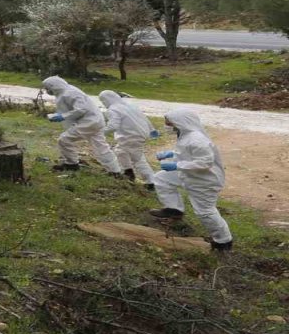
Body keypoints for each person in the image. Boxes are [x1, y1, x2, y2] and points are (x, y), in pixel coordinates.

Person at [149, 109, 233, 252]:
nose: (167, 126)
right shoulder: (186, 135)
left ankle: (223, 241)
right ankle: (173, 210)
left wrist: (176, 165)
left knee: (205, 212)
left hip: (204, 181)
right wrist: (171, 154)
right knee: (161, 178)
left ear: (181, 122)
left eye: (169, 123)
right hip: (190, 174)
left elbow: (205, 162)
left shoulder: (197, 140)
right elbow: (187, 153)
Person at [41, 76, 123, 175]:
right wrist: (61, 115)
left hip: (88, 122)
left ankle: (71, 164)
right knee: (101, 146)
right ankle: (115, 171)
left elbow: (81, 109)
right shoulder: (65, 92)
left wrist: (62, 116)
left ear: (53, 86)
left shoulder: (70, 93)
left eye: (48, 88)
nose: (47, 91)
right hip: (94, 121)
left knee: (64, 140)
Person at [99, 90, 159, 188]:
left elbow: (113, 126)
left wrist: (100, 132)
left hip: (130, 136)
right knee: (121, 151)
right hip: (138, 134)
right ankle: (128, 172)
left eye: (103, 101)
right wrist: (152, 129)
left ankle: (151, 182)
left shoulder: (113, 109)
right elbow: (144, 118)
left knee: (137, 159)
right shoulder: (129, 105)